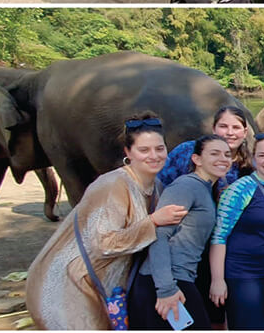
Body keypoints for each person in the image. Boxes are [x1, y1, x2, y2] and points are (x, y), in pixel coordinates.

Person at [27, 117, 187, 329]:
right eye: (144, 150)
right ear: (128, 153)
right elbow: (104, 242)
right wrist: (153, 222)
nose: (154, 156)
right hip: (71, 281)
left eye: (159, 148)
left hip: (108, 285)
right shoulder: (114, 185)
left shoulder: (156, 186)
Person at [158, 106, 253, 328]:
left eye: (236, 127)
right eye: (223, 126)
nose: (230, 132)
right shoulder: (187, 155)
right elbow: (161, 187)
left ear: (245, 131)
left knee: (216, 315)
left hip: (223, 253)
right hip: (184, 255)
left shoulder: (247, 165)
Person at [129, 135, 232, 330]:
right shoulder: (186, 186)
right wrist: (166, 289)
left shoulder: (205, 189)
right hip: (166, 282)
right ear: (197, 159)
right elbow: (158, 235)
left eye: (227, 154)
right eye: (215, 153)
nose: (223, 158)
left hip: (180, 278)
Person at [209, 133, 264, 330]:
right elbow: (219, 236)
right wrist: (217, 280)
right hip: (242, 274)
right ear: (253, 158)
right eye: (262, 155)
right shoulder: (240, 189)